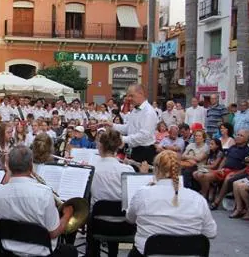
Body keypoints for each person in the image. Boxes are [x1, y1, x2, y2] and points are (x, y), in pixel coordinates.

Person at [125, 150, 217, 257]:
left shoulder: (143, 193)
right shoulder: (197, 199)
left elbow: (130, 218)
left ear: (156, 169)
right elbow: (211, 232)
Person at [0, 145, 77, 257]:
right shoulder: (44, 193)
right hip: (41, 254)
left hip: (10, 252)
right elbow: (53, 233)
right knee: (71, 251)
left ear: (9, 166)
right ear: (31, 164)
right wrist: (67, 215)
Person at [87, 129, 137, 257]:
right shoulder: (127, 169)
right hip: (125, 225)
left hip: (99, 225)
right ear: (118, 146)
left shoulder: (91, 168)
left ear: (100, 145)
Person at [108, 85, 158, 164]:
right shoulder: (135, 110)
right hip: (133, 150)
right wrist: (112, 125)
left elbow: (144, 136)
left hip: (144, 152)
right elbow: (128, 128)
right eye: (127, 96)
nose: (128, 98)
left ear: (141, 94)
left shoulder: (148, 112)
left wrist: (122, 139)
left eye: (131, 95)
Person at [205, 129, 249, 209]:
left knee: (228, 178)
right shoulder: (232, 147)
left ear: (246, 139)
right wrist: (219, 169)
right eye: (237, 135)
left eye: (241, 136)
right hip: (225, 170)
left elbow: (247, 168)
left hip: (236, 171)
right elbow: (225, 159)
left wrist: (236, 173)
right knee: (205, 175)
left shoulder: (248, 151)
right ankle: (206, 196)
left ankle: (217, 201)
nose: (238, 137)